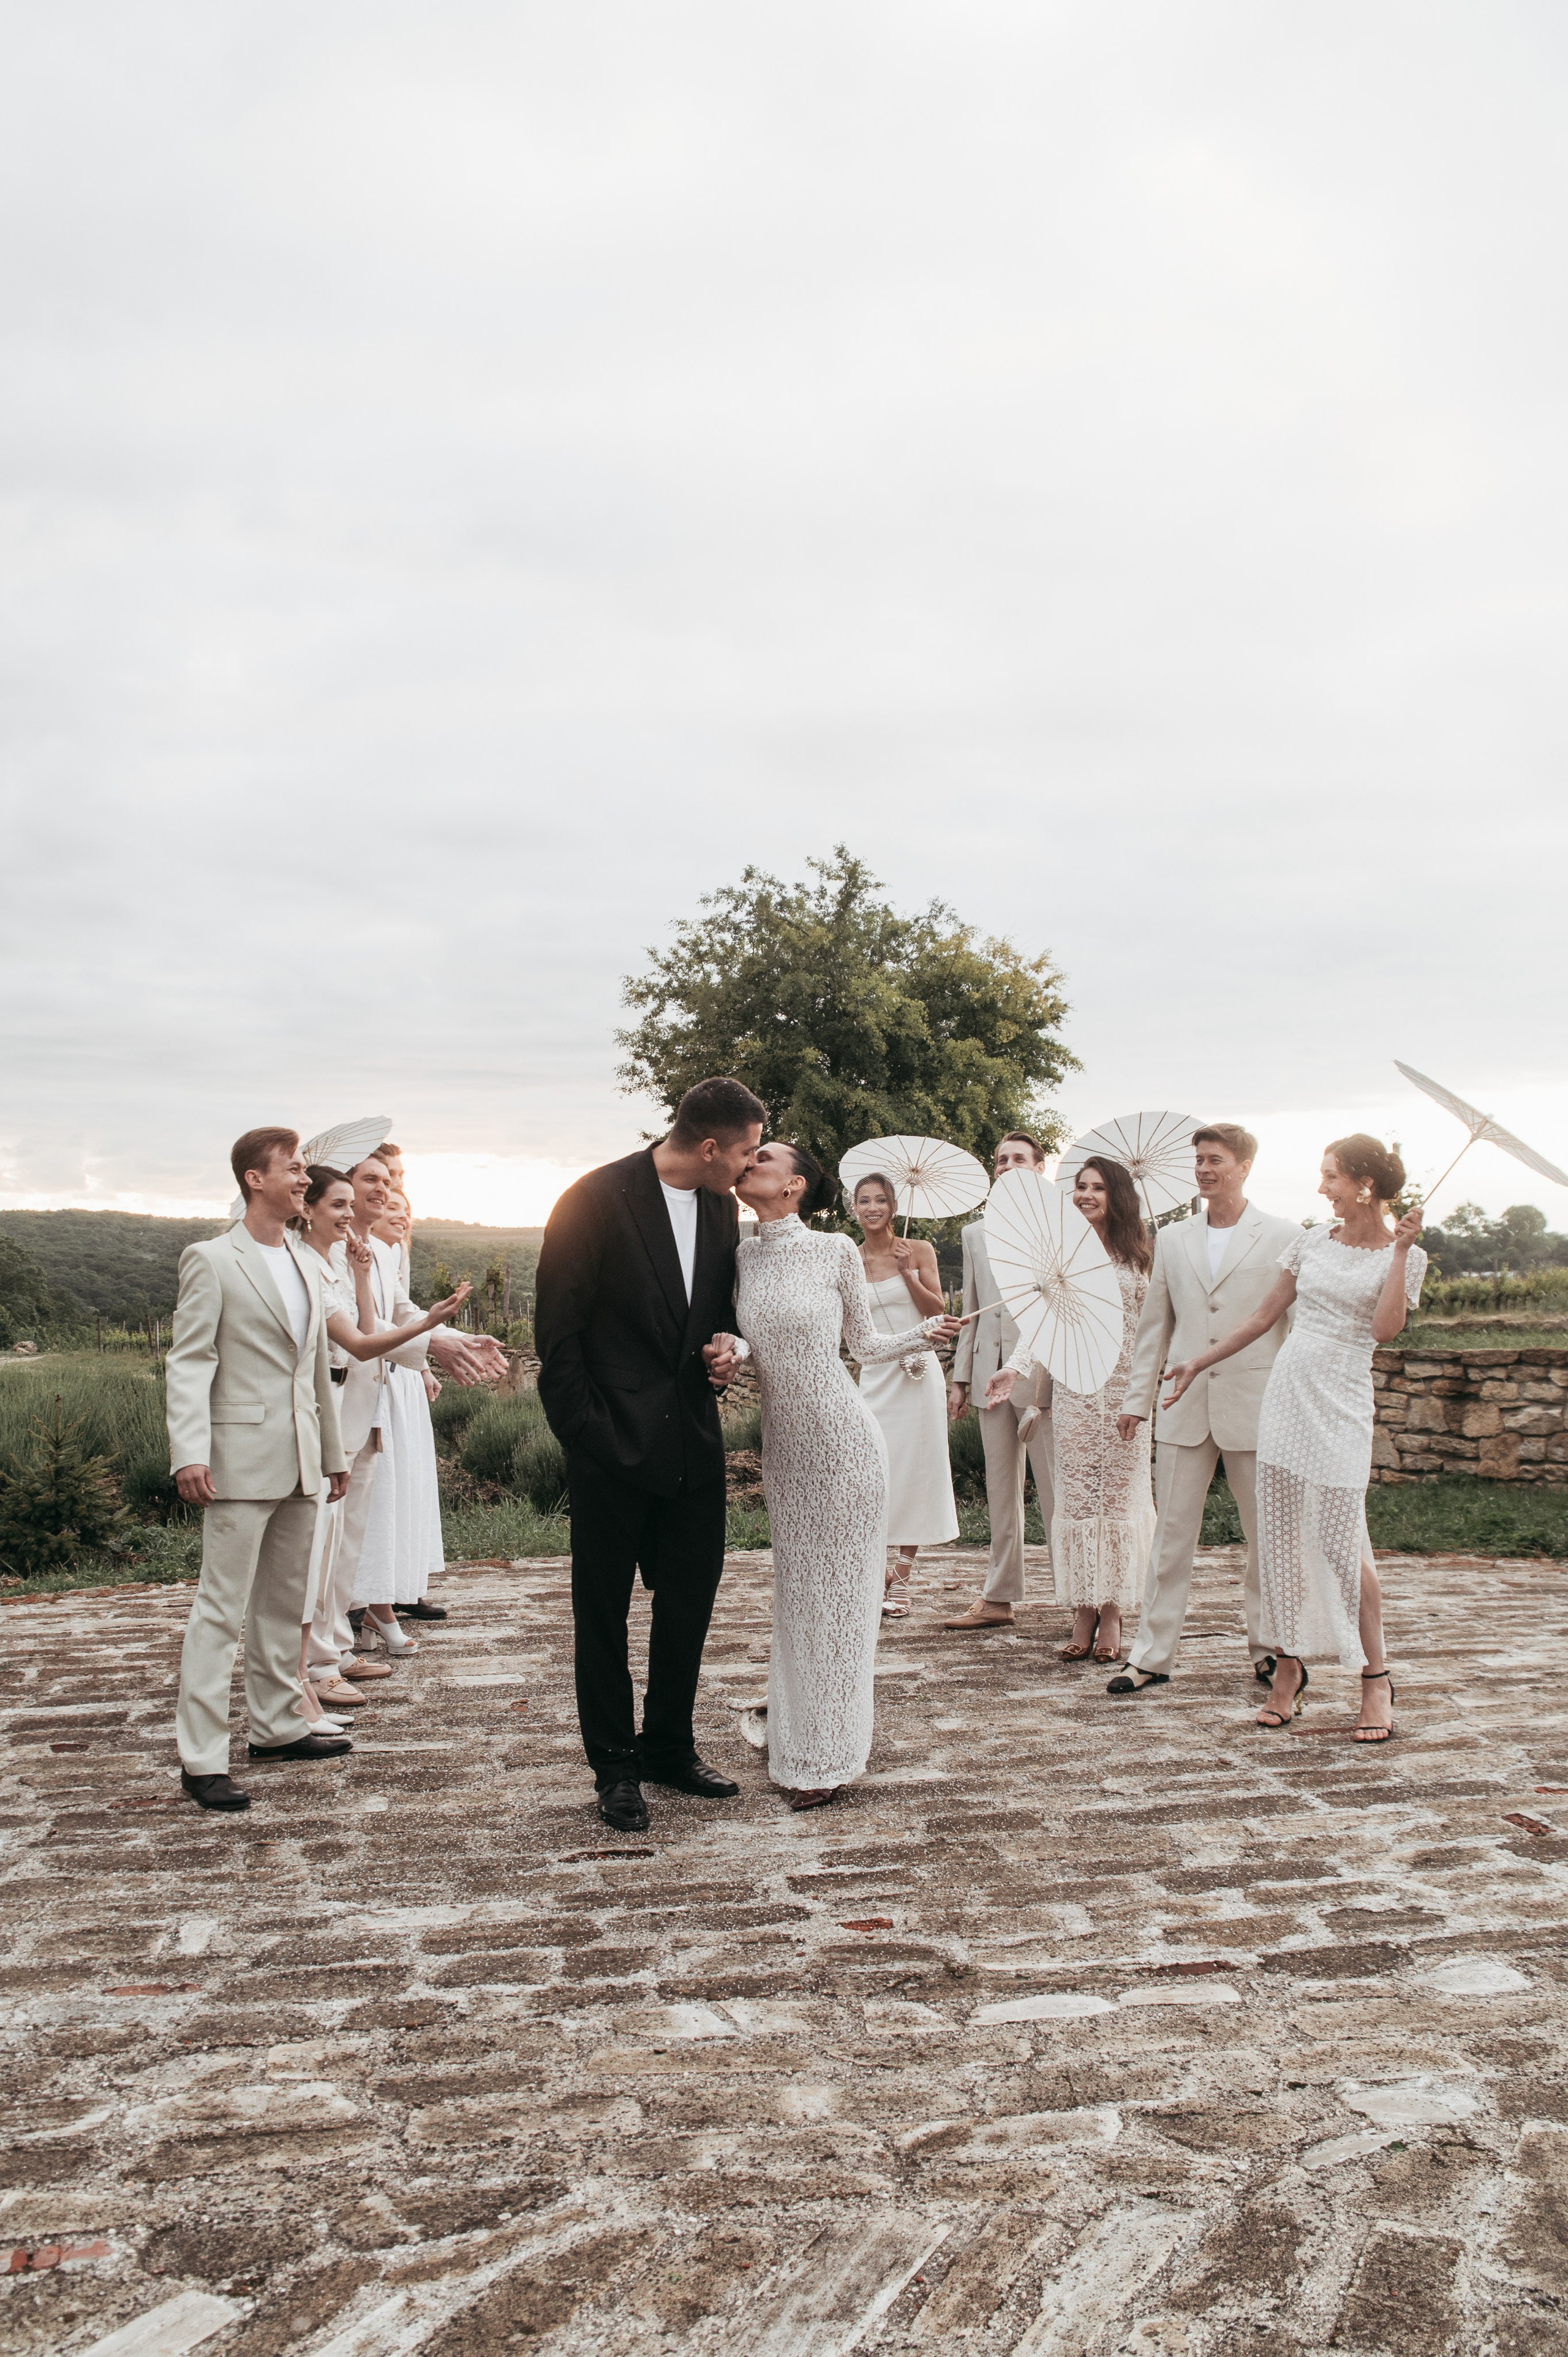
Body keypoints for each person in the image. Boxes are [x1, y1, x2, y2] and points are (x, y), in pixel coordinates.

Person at [535, 1076, 766, 1833]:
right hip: (609, 1446)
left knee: (689, 1604)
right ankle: (614, 1768)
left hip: (693, 1441)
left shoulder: (721, 1207)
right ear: (711, 1147)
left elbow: (718, 1312)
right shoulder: (592, 1199)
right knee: (602, 1614)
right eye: (748, 1151)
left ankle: (668, 1747)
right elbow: (558, 1338)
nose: (752, 1165)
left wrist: (727, 1346)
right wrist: (587, 1436)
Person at [717, 1143, 960, 1809]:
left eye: (764, 1155)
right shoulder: (743, 1255)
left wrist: (927, 1332)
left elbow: (865, 1345)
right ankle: (796, 1734)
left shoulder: (833, 1251)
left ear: (793, 1184)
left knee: (843, 1602)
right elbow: (751, 1339)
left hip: (845, 1443)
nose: (749, 1159)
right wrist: (733, 1348)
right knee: (799, 1597)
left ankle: (828, 1756)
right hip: (787, 1451)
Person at [1159, 1135, 1424, 1740]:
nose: (1321, 1187)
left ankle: (1376, 1679)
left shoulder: (1406, 1254)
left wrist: (1401, 1252)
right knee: (1278, 1541)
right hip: (1286, 1398)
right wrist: (1198, 1361)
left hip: (1342, 1403)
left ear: (1364, 1185)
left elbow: (1385, 1329)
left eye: (1331, 1177)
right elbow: (1262, 1316)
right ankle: (1287, 1671)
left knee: (1342, 1544)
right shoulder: (1311, 1241)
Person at [166, 1128, 352, 1811]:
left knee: (283, 1602)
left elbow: (315, 1367)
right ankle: (202, 1759)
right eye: (294, 1169)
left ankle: (276, 1728)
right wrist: (190, 1451)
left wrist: (331, 1453)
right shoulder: (212, 1259)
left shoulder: (305, 1260)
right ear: (254, 1178)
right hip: (237, 1460)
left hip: (302, 1459)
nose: (304, 1179)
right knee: (220, 1609)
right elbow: (190, 1361)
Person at [1105, 1124, 1302, 1700]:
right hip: (1183, 1404)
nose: (1204, 1169)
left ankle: (1270, 1650)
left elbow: (1292, 1328)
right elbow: (1154, 1329)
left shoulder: (1285, 1235)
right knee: (1170, 1537)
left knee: (1265, 1537)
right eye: (1199, 1160)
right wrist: (1136, 1401)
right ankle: (1150, 1656)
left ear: (1244, 1166)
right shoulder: (1172, 1238)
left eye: (1215, 1159)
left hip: (1258, 1405)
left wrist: (1296, 1404)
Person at [294, 1167, 469, 1717]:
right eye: (350, 1193)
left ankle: (335, 1650)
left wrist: (447, 1336)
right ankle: (313, 1665)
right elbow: (361, 1340)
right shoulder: (307, 1258)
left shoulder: (367, 1255)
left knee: (344, 1542)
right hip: (332, 1406)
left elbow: (380, 1323)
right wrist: (432, 1332)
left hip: (369, 1408)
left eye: (385, 1183)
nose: (379, 1192)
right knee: (320, 1544)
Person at [987, 1156, 1154, 1661]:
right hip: (1076, 1392)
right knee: (1079, 1502)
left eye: (1097, 1187)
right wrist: (1013, 1369)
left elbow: (1155, 1329)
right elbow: (1039, 1326)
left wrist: (1145, 1394)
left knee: (1118, 1503)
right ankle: (1084, 1609)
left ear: (1116, 1196)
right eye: (1080, 1186)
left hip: (1126, 1394)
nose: (1085, 1195)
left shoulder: (1141, 1258)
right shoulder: (1063, 1259)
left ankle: (1114, 1612)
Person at [944, 1133, 1057, 1632]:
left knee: (1054, 1488)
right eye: (1001, 1160)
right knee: (1000, 1489)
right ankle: (998, 1595)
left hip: (1041, 1372)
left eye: (1018, 1159)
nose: (1008, 1166)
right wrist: (960, 1378)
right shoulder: (974, 1233)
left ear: (1039, 1168)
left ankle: (1078, 1597)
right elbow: (971, 1308)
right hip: (988, 1373)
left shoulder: (1059, 1227)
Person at [850, 1173, 959, 1616]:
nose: (872, 1208)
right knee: (873, 1472)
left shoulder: (919, 1249)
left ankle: (903, 1574)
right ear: (854, 1209)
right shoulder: (849, 1257)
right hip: (875, 1375)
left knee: (916, 1468)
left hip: (917, 1373)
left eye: (880, 1200)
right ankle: (875, 1572)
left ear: (893, 1207)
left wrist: (907, 1274)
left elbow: (938, 1311)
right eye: (864, 1201)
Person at [354, 1190, 448, 1643]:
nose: (400, 1215)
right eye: (392, 1204)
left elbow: (400, 1312)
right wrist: (436, 1345)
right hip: (368, 1378)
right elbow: (369, 1324)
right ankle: (370, 1601)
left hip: (399, 1368)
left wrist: (429, 1358)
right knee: (378, 1494)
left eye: (405, 1209)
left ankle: (395, 1590)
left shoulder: (390, 1253)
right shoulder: (357, 1250)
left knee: (403, 1488)